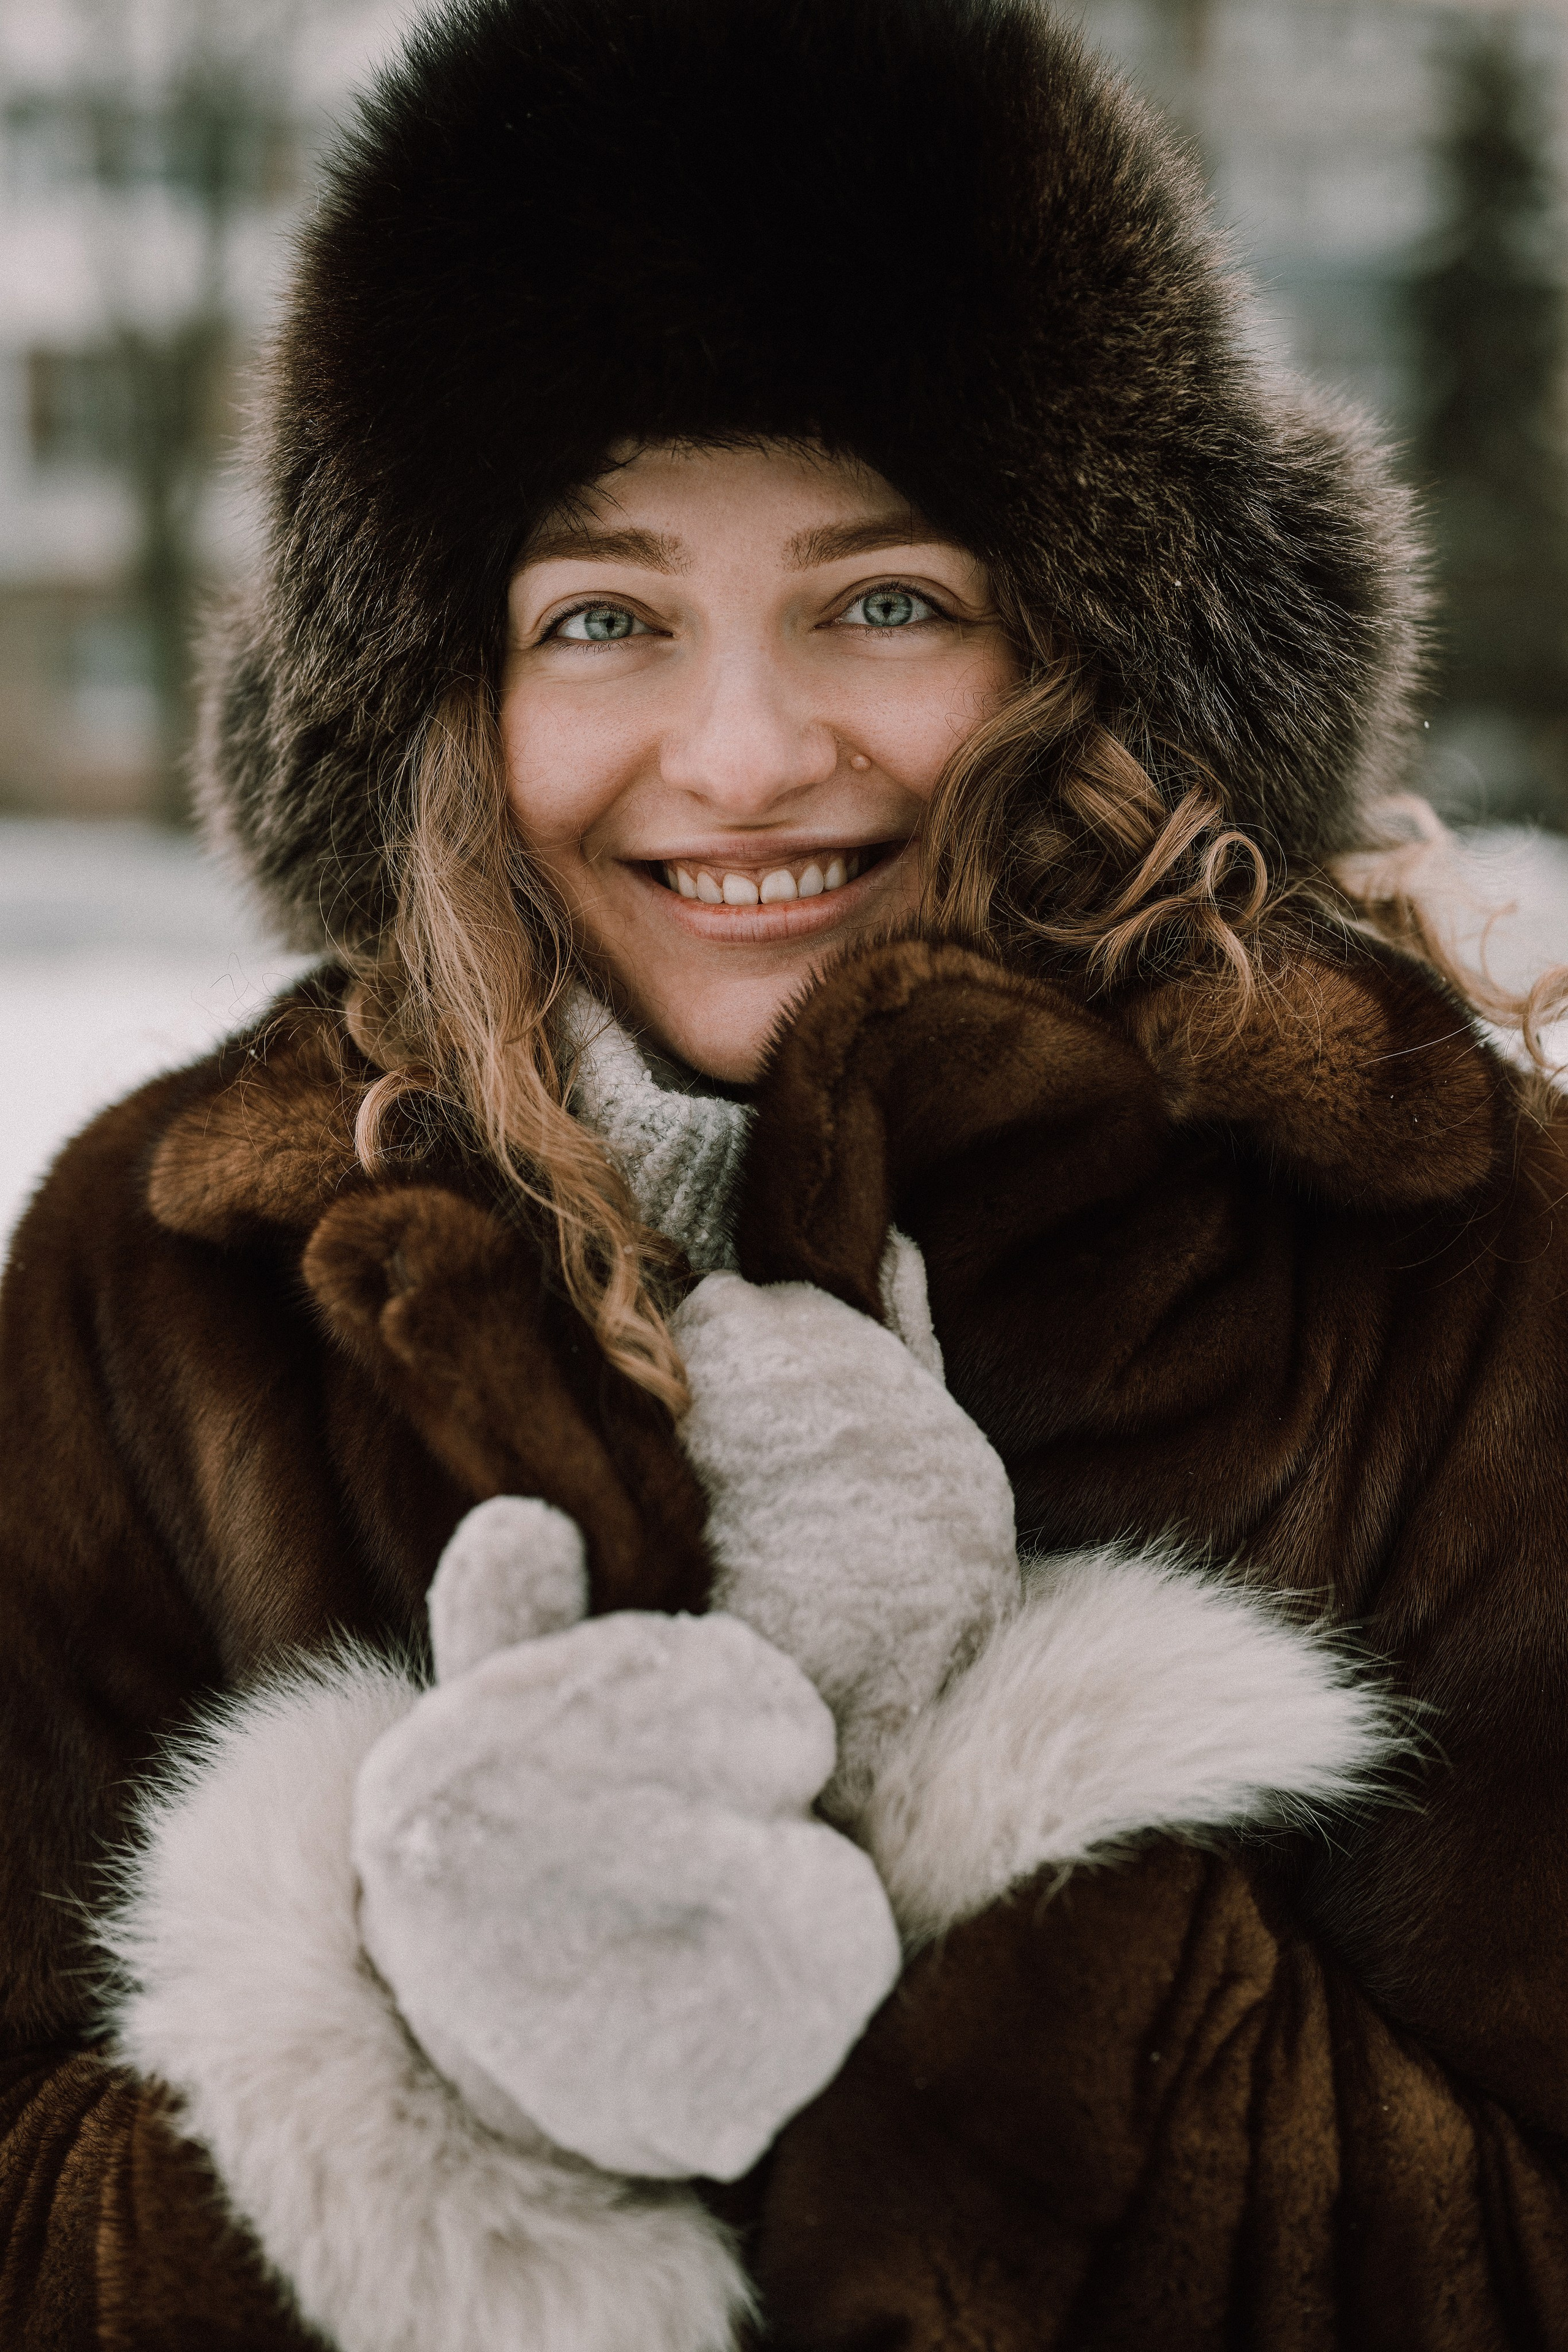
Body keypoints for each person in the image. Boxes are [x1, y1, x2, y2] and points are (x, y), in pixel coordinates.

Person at [4, 0, 1568, 2345]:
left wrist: (994, 1940)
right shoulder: (181, 1273)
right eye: (605, 618)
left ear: (1092, 638)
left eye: (889, 601)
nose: (742, 754)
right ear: (450, 692)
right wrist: (409, 2053)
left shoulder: (1432, 1242)